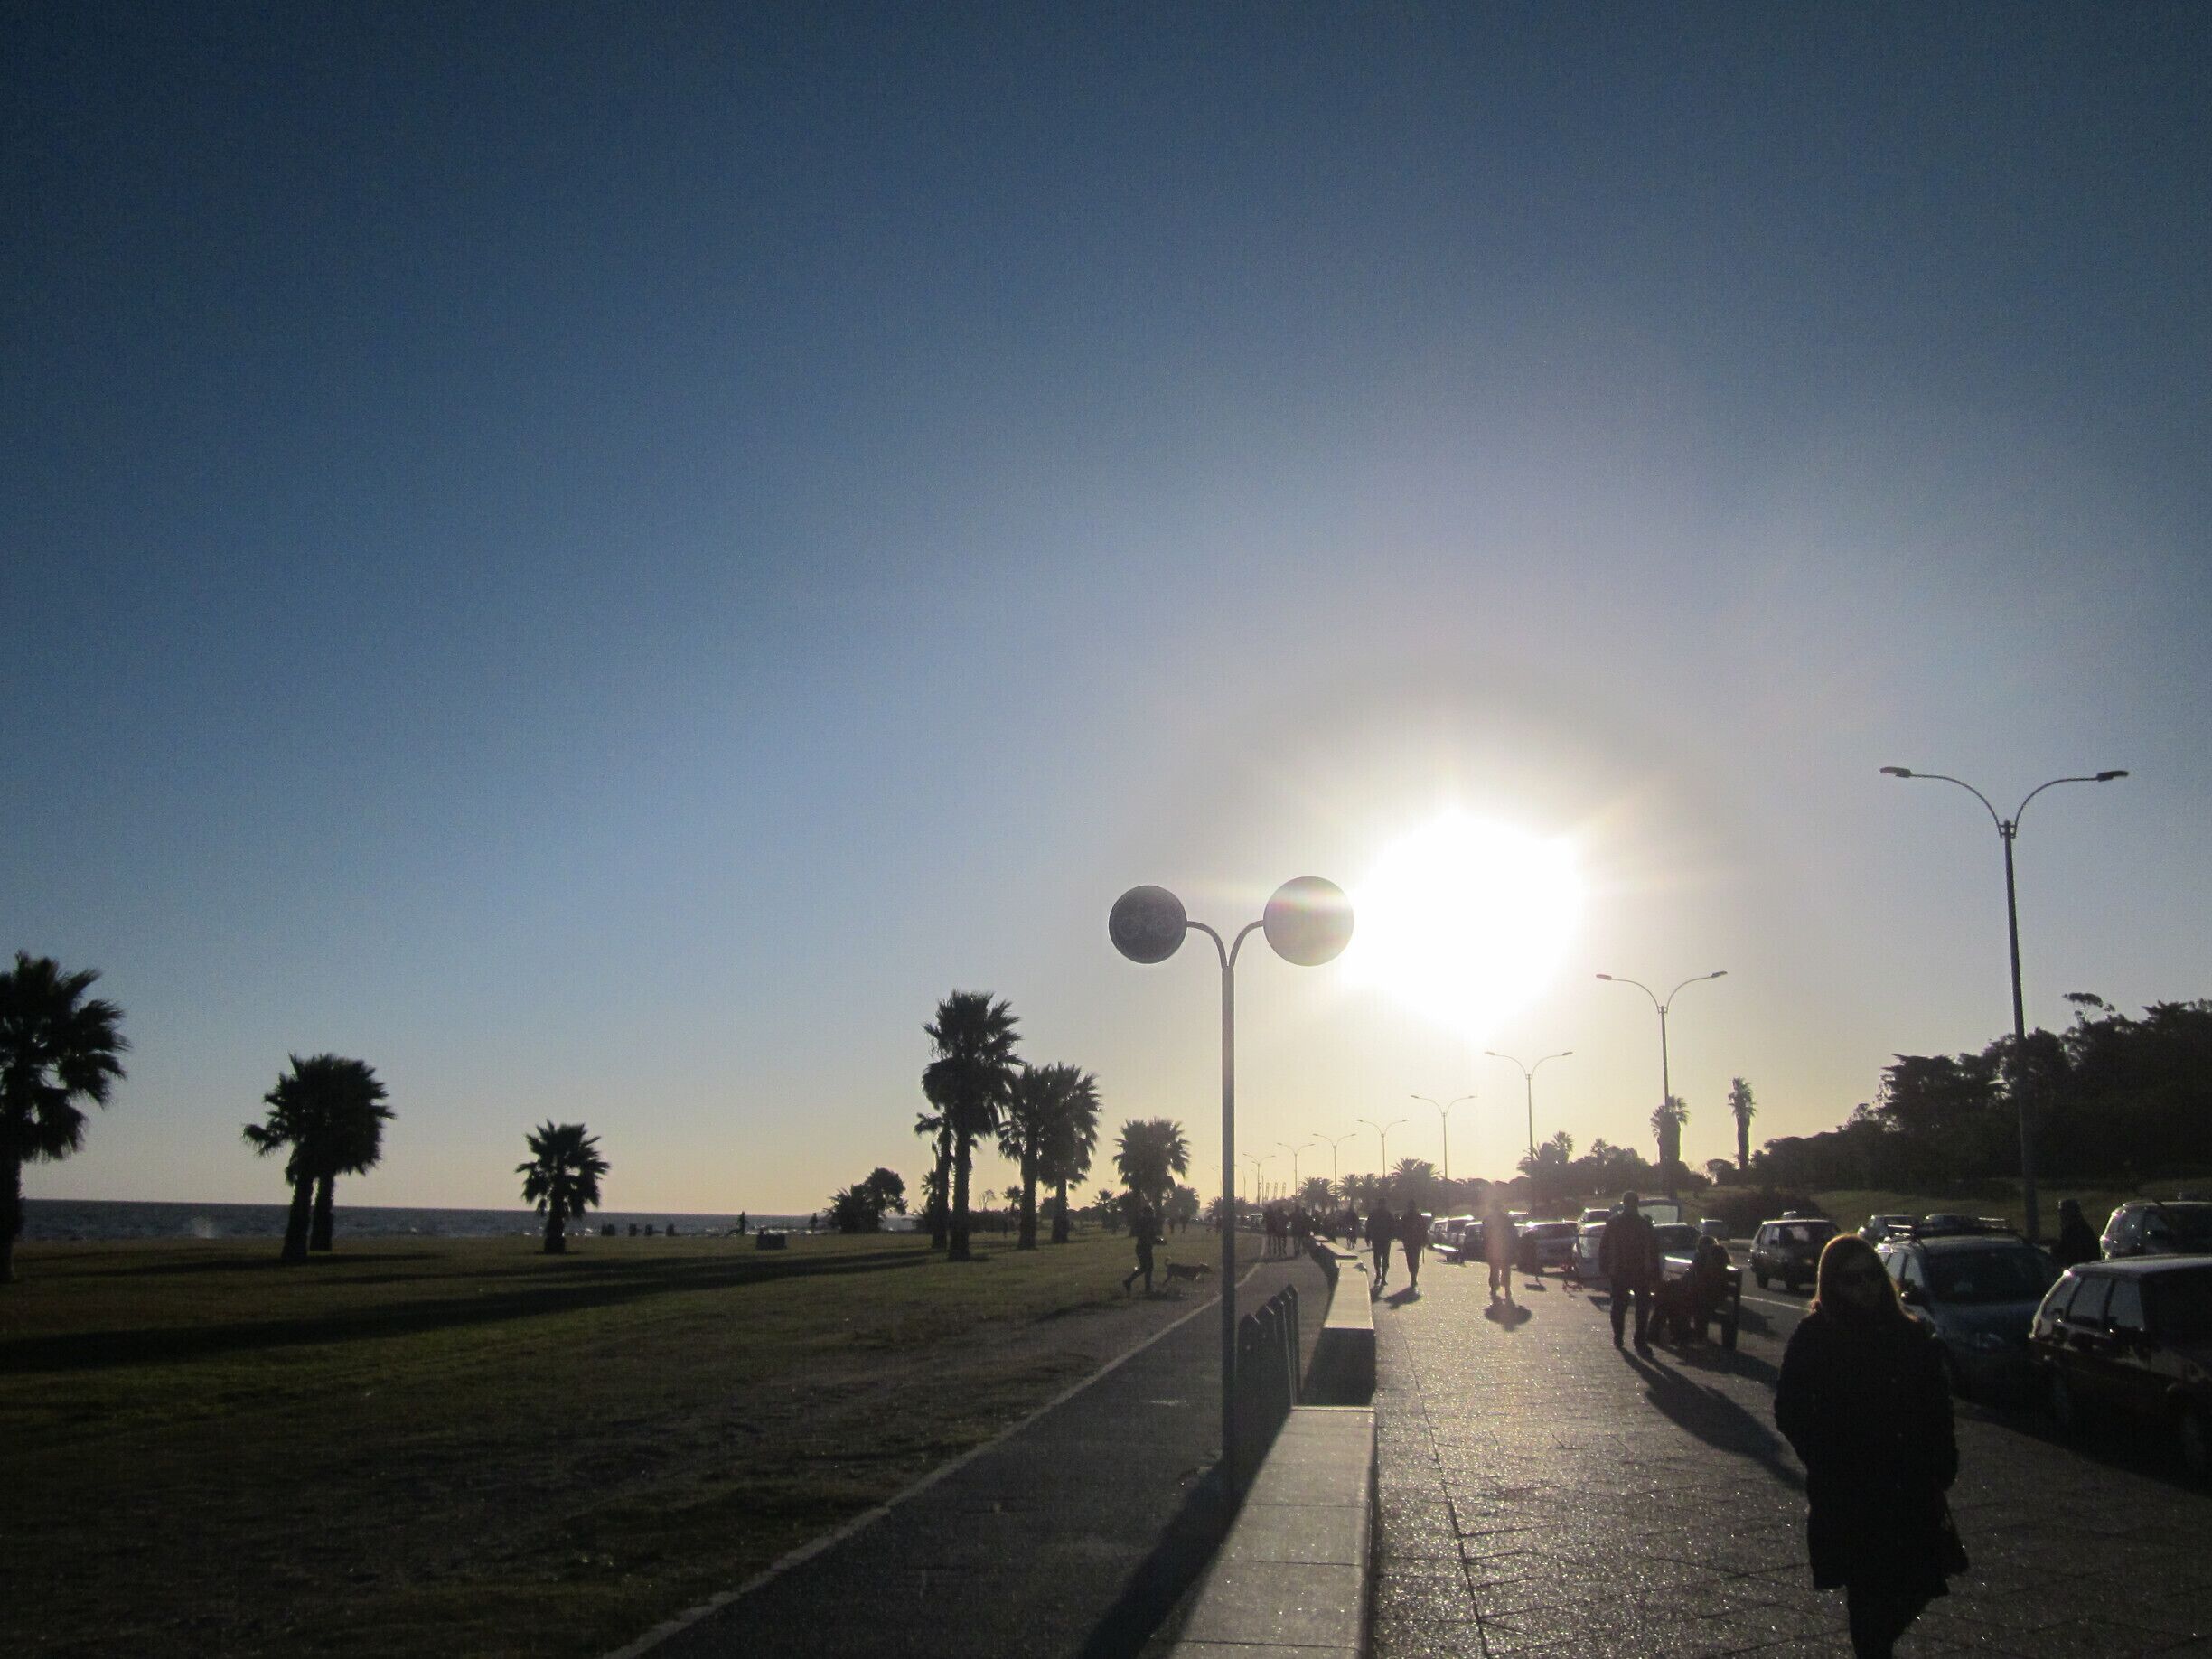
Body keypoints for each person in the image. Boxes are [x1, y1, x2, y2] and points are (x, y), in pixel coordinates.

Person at [1775, 1234, 1962, 1658]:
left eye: (1872, 1276)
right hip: (1851, 1489)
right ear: (1831, 1284)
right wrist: (1824, 1457)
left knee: (1918, 1582)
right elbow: (1790, 1408)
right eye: (1851, 1279)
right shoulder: (1817, 1334)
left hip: (1910, 1483)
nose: (1866, 1287)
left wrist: (1942, 1458)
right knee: (1868, 1595)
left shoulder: (1908, 1333)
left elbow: (1936, 1403)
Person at [1598, 1190, 1660, 1353]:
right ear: (1637, 1204)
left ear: (1623, 1203)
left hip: (1620, 1270)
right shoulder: (1644, 1224)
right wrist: (1655, 1272)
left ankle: (1619, 1337)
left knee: (1619, 1305)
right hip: (1640, 1270)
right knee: (1641, 1307)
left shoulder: (1614, 1223)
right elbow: (1653, 1250)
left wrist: (1604, 1267)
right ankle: (1639, 1341)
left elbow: (1604, 1247)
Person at [1121, 1200, 1160, 1296]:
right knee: (1149, 1267)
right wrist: (1155, 1241)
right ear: (1148, 1214)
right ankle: (1147, 1288)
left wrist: (1156, 1240)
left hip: (1141, 1247)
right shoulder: (1147, 1222)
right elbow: (1147, 1235)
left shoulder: (1143, 1221)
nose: (1153, 1215)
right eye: (1151, 1213)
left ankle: (1129, 1281)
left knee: (1144, 1268)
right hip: (1144, 1247)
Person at [2050, 1198, 2100, 1269]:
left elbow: (2070, 1252)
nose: (2061, 1215)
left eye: (2063, 1211)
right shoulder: (2071, 1229)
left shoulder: (2078, 1231)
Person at [1484, 1197, 1516, 1306]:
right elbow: (1513, 1233)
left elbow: (1484, 1235)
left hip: (1493, 1247)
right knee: (1505, 1268)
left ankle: (1494, 1288)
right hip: (1505, 1247)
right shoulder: (1506, 1218)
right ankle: (1506, 1288)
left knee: (1494, 1268)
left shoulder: (1488, 1219)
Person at [1400, 1203, 1427, 1290]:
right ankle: (1413, 1277)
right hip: (1413, 1242)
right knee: (1414, 1260)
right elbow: (1401, 1229)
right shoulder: (1411, 1217)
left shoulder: (1411, 1217)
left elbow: (1423, 1229)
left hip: (1412, 1242)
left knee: (1411, 1260)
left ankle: (1413, 1277)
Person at [1367, 1202, 1393, 1290]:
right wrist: (1367, 1237)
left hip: (1385, 1240)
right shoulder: (1374, 1214)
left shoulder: (1388, 1215)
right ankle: (1379, 1274)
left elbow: (1393, 1227)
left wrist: (1392, 1235)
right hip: (1377, 1239)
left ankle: (1383, 1277)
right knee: (1378, 1258)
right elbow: (1369, 1226)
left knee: (1384, 1259)